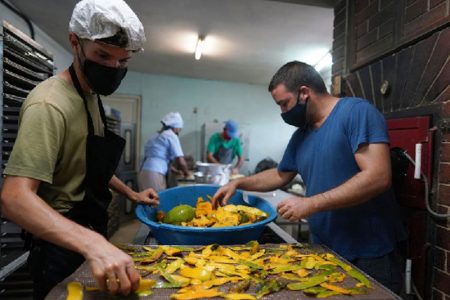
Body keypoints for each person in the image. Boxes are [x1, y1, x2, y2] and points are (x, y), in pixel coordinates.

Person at [0, 0, 159, 298]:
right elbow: (14, 197)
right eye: (102, 55)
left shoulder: (88, 95)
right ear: (75, 41)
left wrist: (131, 194)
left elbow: (87, 165)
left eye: (122, 61)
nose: (113, 68)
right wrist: (93, 244)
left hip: (87, 229)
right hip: (57, 244)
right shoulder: (49, 104)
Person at [213, 61, 406, 293]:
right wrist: (239, 182)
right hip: (324, 249)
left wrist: (310, 203)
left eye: (284, 104)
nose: (283, 112)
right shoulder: (301, 136)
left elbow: (378, 176)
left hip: (370, 253)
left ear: (304, 93)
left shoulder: (356, 113)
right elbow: (279, 174)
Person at [139, 112, 191, 192]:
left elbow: (159, 158)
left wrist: (175, 170)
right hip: (155, 174)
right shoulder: (171, 135)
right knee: (156, 201)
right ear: (176, 127)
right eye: (180, 129)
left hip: (145, 172)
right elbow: (181, 161)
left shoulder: (156, 135)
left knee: (147, 201)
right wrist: (187, 174)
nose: (179, 132)